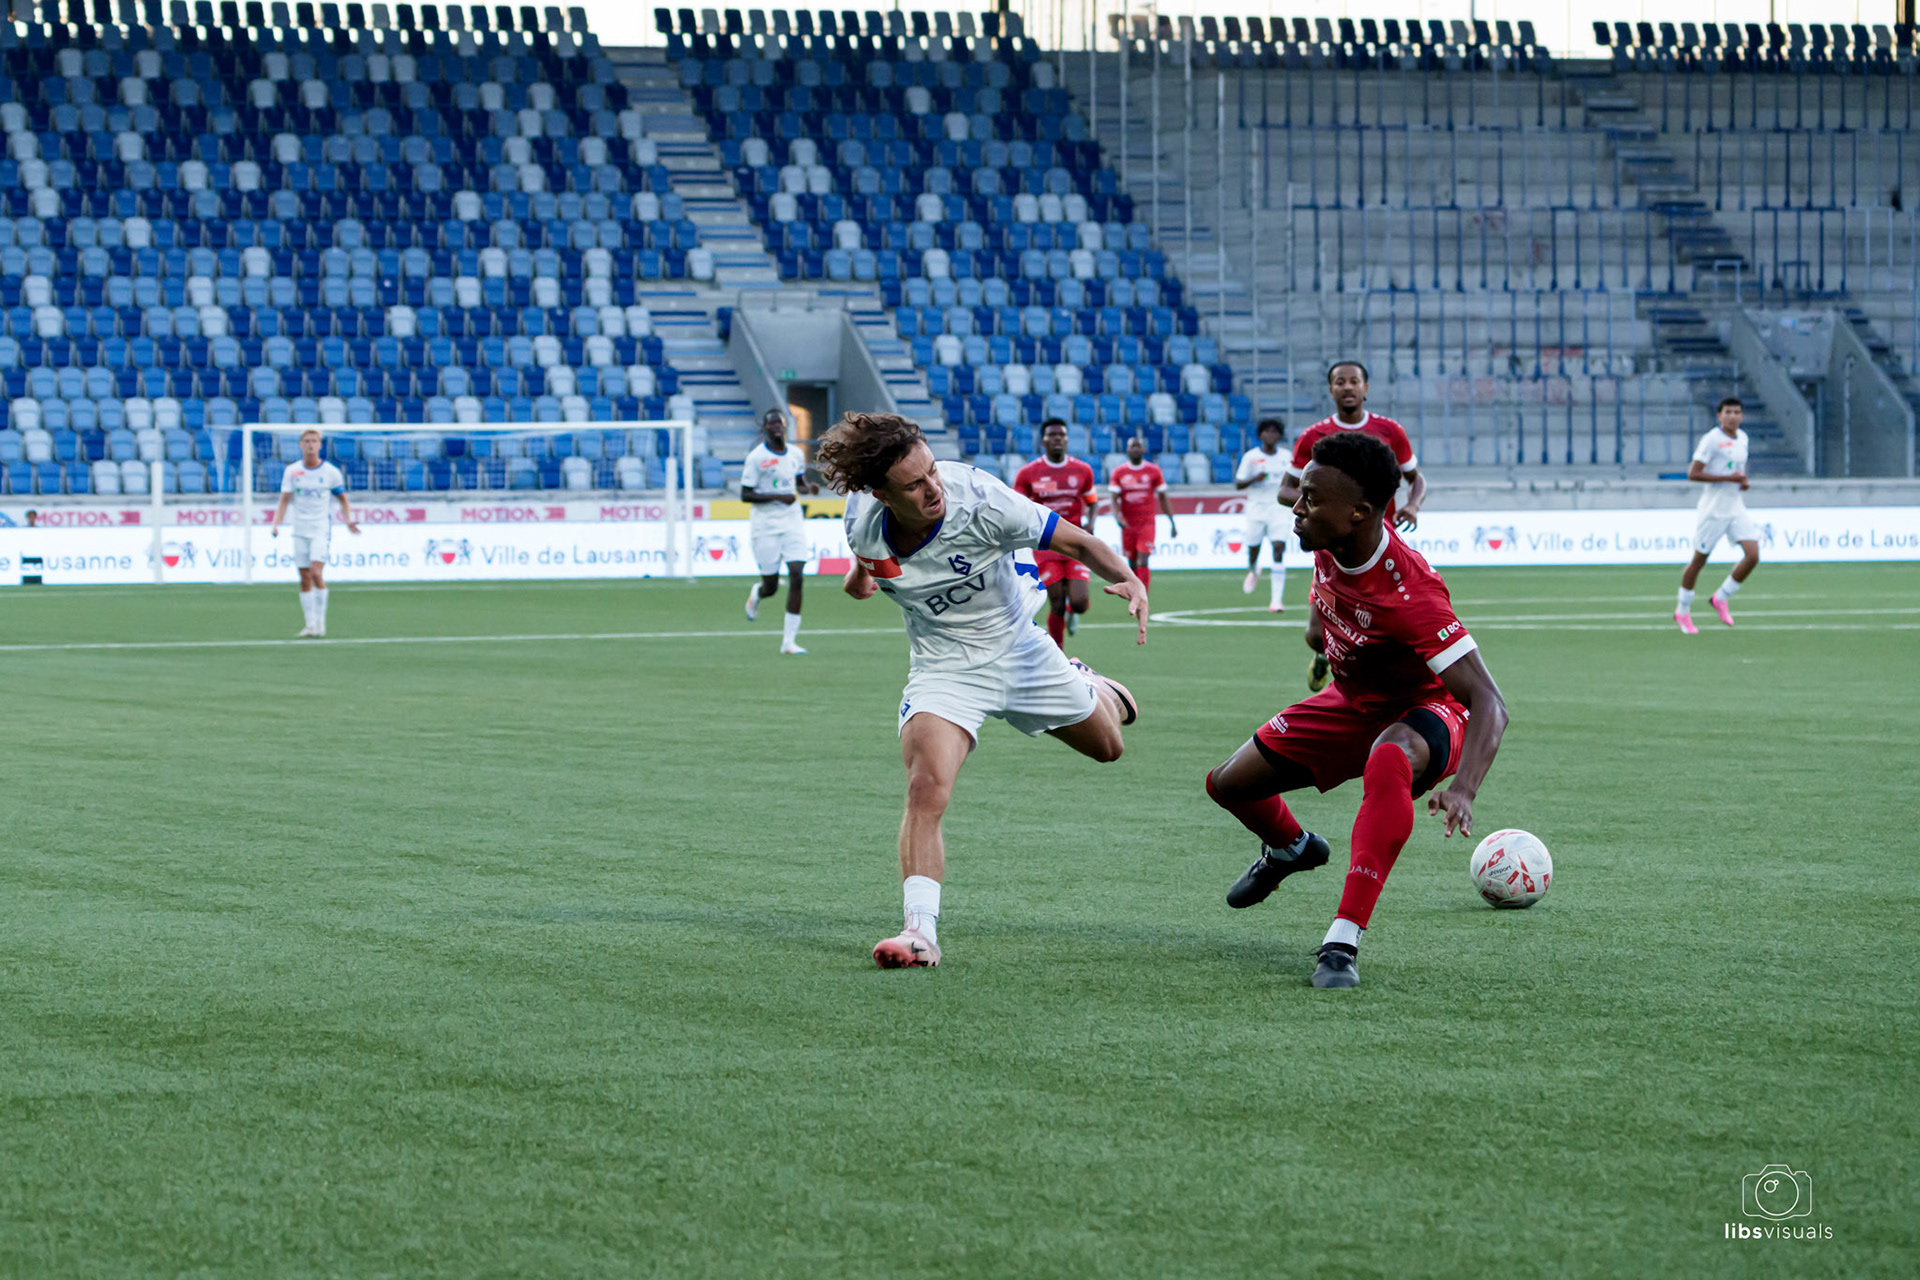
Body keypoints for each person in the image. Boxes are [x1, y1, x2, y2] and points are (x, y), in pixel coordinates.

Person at [818, 413, 1149, 969]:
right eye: (915, 484)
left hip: (1019, 646)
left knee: (1108, 747)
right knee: (927, 787)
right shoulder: (862, 520)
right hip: (943, 667)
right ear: (880, 494)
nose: (933, 489)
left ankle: (1088, 682)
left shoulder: (981, 499)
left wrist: (1132, 579)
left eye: (932, 472)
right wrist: (861, 576)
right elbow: (870, 562)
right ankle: (919, 932)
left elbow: (1077, 540)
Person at [1203, 432, 1508, 990]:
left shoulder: (1410, 593)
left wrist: (1464, 790)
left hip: (1424, 708)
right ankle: (1292, 848)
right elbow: (1325, 601)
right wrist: (1321, 633)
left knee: (1387, 759)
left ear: (1360, 513)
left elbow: (1489, 701)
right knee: (1226, 785)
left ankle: (1342, 941)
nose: (1296, 506)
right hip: (1349, 700)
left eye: (1310, 498)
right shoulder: (1328, 537)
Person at [1280, 362, 1426, 688]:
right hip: (1333, 548)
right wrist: (1321, 504)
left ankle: (1369, 688)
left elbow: (1416, 480)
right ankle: (1324, 654)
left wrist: (1413, 505)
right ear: (1331, 390)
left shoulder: (1390, 432)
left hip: (1380, 547)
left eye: (1354, 381)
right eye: (1340, 382)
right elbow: (1285, 490)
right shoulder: (1313, 437)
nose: (1348, 387)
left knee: (1391, 628)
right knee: (1316, 635)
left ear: (1366, 388)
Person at [1013, 418, 1099, 648]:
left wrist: (1090, 525)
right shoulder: (1028, 473)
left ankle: (1074, 611)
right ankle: (1058, 655)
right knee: (1056, 601)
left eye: (1061, 434)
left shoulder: (1082, 470)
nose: (1057, 438)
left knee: (1080, 602)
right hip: (1045, 545)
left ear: (1067, 439)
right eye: (1052, 435)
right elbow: (1017, 505)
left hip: (1074, 543)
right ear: (1043, 440)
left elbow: (1092, 502)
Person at [741, 407, 819, 654]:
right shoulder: (756, 457)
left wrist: (808, 489)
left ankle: (788, 642)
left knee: (797, 574)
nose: (777, 427)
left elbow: (798, 484)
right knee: (771, 586)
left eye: (780, 423)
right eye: (772, 424)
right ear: (765, 428)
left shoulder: (795, 454)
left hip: (792, 521)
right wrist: (778, 496)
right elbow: (745, 494)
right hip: (765, 526)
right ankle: (758, 592)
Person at [1676, 397, 1757, 634]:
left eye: (1737, 412)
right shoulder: (1712, 440)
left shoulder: (1743, 438)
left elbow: (1736, 468)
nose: (1733, 416)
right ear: (1719, 416)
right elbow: (1693, 473)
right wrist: (1728, 479)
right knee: (1698, 561)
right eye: (1728, 412)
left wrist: (1741, 481)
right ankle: (1682, 611)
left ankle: (1721, 597)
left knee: (1752, 555)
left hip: (1735, 506)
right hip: (1713, 509)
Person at [270, 428, 358, 638]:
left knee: (316, 572)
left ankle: (321, 624)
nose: (310, 445)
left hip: (320, 529)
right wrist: (276, 523)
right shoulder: (292, 471)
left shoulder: (330, 472)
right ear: (301, 445)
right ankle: (310, 626)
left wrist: (349, 520)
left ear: (320, 445)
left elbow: (343, 500)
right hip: (299, 529)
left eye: (314, 441)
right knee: (304, 578)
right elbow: (284, 500)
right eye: (307, 441)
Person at [1234, 419, 1290, 612]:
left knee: (1278, 548)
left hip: (1279, 509)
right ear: (1260, 435)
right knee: (1253, 550)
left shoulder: (1286, 457)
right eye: (1267, 431)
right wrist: (1253, 478)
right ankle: (1253, 569)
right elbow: (1238, 483)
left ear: (1279, 435)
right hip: (1256, 508)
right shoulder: (1251, 457)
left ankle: (1276, 601)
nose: (1271, 435)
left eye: (1275, 431)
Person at [1108, 435, 1177, 590]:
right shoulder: (1119, 472)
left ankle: (1143, 598)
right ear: (1127, 449)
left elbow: (1164, 499)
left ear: (1144, 449)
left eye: (1139, 446)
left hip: (1147, 523)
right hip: (1128, 524)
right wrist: (1118, 516)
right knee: (1132, 563)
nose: (1136, 449)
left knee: (1143, 560)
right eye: (1133, 446)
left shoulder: (1153, 471)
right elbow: (1113, 499)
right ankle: (1134, 593)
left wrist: (1172, 522)